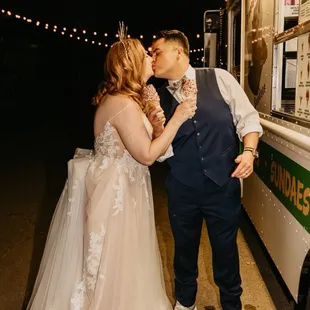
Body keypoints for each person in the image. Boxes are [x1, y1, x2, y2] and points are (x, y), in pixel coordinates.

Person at [26, 26, 197, 310]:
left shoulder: (128, 100)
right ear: (131, 64)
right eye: (145, 54)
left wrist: (157, 127)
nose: (150, 57)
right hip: (115, 194)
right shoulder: (122, 104)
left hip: (125, 188)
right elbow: (146, 156)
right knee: (113, 263)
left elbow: (144, 145)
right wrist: (177, 118)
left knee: (125, 260)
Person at [149, 30, 263, 310]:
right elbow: (160, 154)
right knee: (184, 250)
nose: (152, 58)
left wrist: (248, 152)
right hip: (182, 188)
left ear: (178, 52)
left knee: (225, 251)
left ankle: (231, 304)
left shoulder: (219, 78)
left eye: (156, 52)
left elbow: (247, 118)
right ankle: (185, 303)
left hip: (223, 184)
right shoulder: (157, 99)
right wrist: (156, 127)